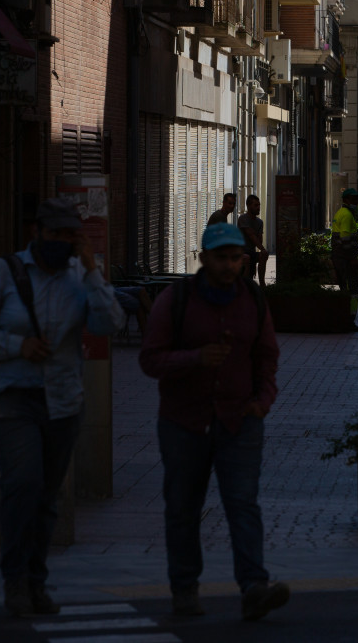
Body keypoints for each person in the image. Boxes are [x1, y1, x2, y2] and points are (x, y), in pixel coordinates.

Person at [0, 197, 126, 617]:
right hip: (11, 395)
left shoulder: (79, 276)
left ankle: (36, 579)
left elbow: (109, 324)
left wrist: (92, 271)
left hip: (63, 399)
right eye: (56, 234)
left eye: (71, 234)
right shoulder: (4, 273)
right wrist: (16, 345)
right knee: (24, 484)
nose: (63, 242)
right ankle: (14, 579)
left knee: (49, 496)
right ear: (37, 233)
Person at [138, 223, 289, 621]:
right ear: (203, 258)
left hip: (240, 421)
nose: (229, 265)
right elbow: (150, 360)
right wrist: (194, 359)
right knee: (183, 508)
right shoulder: (175, 300)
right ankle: (184, 588)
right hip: (184, 423)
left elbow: (267, 357)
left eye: (236, 258)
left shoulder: (253, 300)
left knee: (242, 505)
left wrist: (263, 402)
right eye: (221, 257)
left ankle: (255, 587)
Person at [331, 187, 358, 330]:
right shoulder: (347, 215)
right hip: (345, 260)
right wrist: (352, 259)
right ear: (345, 200)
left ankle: (345, 319)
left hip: (339, 258)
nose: (355, 201)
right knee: (353, 291)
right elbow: (345, 240)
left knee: (344, 289)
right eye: (353, 199)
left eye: (356, 198)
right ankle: (350, 320)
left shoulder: (341, 212)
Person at [237, 194, 269, 286]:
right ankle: (246, 286)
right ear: (248, 206)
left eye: (259, 205)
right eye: (256, 205)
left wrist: (262, 250)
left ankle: (262, 283)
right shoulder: (243, 218)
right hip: (241, 250)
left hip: (251, 251)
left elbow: (259, 240)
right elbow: (252, 236)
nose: (258, 208)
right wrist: (262, 249)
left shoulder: (259, 222)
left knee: (264, 255)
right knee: (249, 257)